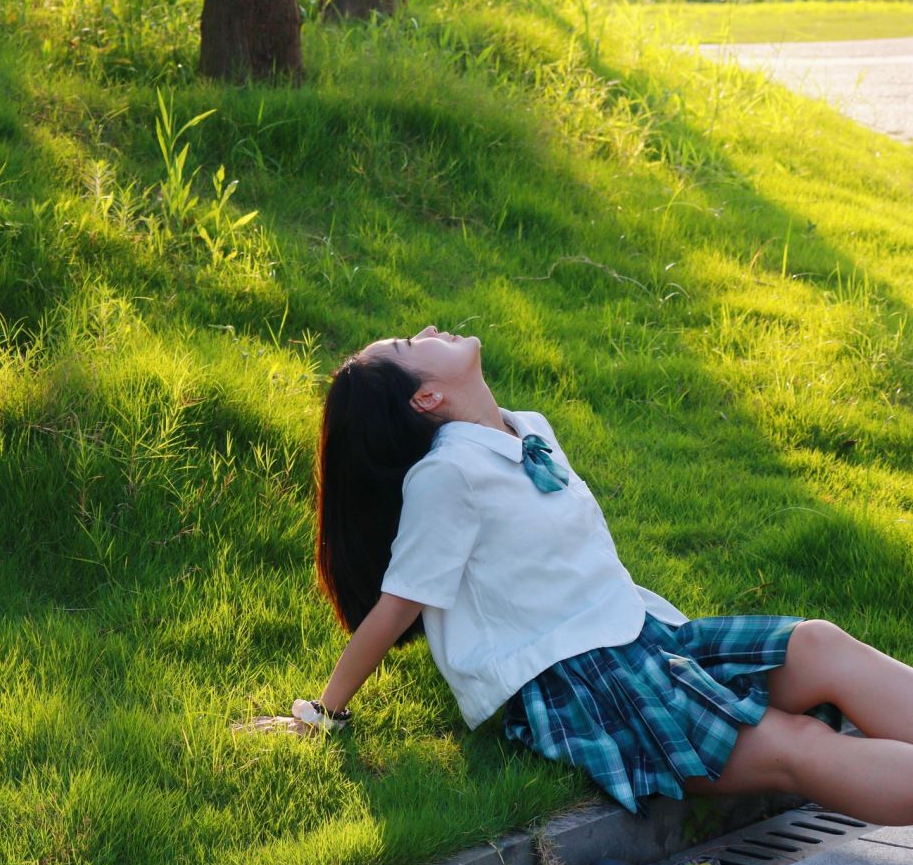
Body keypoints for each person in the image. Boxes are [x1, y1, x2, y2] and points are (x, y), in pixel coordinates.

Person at [292, 325, 913, 823]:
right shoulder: (446, 476)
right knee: (796, 747)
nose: (427, 328)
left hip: (643, 638)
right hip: (584, 685)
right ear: (427, 398)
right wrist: (323, 711)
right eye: (409, 344)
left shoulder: (528, 428)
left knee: (818, 642)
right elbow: (398, 607)